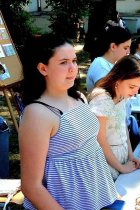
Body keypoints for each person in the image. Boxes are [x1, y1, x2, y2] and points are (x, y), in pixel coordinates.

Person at [19, 34, 117, 209]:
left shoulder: (78, 97)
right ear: (43, 69)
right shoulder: (37, 113)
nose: (73, 68)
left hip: (97, 199)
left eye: (74, 60)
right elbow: (31, 187)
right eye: (63, 62)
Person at [89, 55, 140, 180]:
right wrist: (120, 167)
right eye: (132, 87)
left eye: (138, 87)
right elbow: (100, 139)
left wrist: (131, 156)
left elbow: (123, 125)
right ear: (118, 79)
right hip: (107, 162)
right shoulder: (102, 99)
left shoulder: (122, 96)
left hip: (122, 156)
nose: (136, 92)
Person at [86, 26, 131, 93]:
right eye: (125, 48)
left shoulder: (114, 64)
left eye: (129, 48)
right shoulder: (100, 65)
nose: (128, 52)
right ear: (113, 46)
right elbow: (106, 95)